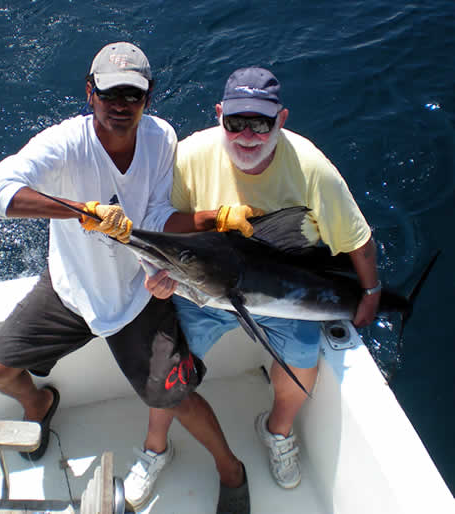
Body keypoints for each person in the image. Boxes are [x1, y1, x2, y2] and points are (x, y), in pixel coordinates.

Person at [124, 67, 381, 508]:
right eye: (236, 122)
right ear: (220, 115)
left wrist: (373, 294)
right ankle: (154, 447)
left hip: (272, 292)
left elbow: (358, 241)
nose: (247, 134)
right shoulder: (189, 156)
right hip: (208, 290)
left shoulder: (311, 167)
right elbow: (167, 226)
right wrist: (165, 275)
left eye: (260, 124)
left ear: (280, 120)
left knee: (302, 361)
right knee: (165, 368)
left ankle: (276, 431)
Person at [0, 41, 208, 461]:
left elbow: (155, 215)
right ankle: (38, 404)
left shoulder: (161, 136)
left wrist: (205, 227)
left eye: (132, 94)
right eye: (109, 93)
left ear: (148, 97)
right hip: (72, 289)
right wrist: (79, 210)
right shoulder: (63, 143)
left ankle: (229, 471)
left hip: (137, 293)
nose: (120, 104)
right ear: (89, 93)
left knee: (175, 396)